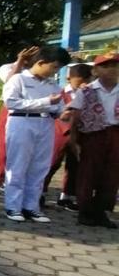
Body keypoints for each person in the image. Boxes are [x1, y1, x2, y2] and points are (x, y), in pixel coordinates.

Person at [1, 46, 70, 223]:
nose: (55, 71)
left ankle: (31, 206)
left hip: (45, 124)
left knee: (40, 167)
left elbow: (58, 107)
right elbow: (11, 102)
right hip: (21, 122)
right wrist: (45, 102)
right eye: (54, 67)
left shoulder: (53, 85)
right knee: (18, 165)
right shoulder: (19, 79)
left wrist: (63, 112)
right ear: (40, 62)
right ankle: (13, 206)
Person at [67, 52, 119, 228]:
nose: (111, 70)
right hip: (93, 134)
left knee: (111, 174)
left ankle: (101, 211)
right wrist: (73, 139)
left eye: (115, 66)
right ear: (96, 70)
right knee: (89, 172)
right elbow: (76, 114)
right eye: (106, 66)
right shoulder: (87, 90)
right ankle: (85, 211)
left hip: (116, 133)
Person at [43, 63, 93, 211]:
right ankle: (40, 193)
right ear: (69, 78)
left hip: (79, 133)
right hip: (59, 132)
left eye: (86, 80)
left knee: (74, 166)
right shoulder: (59, 92)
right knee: (51, 163)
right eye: (78, 80)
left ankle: (66, 196)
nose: (82, 83)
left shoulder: (89, 93)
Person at [0, 46, 41, 188]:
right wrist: (20, 61)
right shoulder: (7, 67)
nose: (33, 57)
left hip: (33, 111)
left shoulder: (38, 70)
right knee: (6, 144)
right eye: (30, 53)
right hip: (11, 109)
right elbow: (9, 81)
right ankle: (3, 178)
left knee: (28, 148)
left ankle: (22, 177)